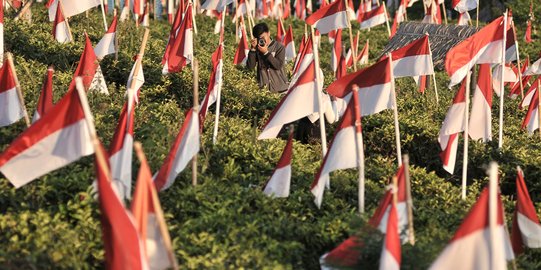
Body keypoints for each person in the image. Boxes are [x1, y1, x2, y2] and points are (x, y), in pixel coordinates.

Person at [246, 23, 289, 93]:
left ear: (268, 33)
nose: (262, 40)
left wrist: (266, 53)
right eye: (259, 38)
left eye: (263, 37)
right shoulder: (257, 48)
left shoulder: (279, 47)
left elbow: (278, 65)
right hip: (264, 91)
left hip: (280, 89)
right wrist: (252, 50)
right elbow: (250, 66)